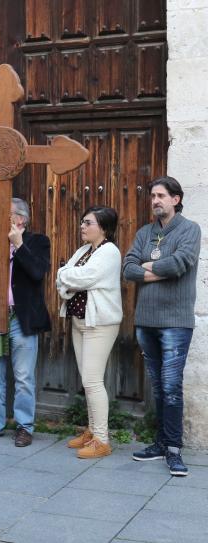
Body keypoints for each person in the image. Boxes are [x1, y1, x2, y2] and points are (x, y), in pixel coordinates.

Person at [123, 176, 200, 477]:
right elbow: (128, 269)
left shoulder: (190, 229)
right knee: (158, 386)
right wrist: (156, 270)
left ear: (176, 199)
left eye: (161, 196)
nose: (155, 200)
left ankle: (174, 449)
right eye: (153, 196)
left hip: (175, 323)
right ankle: (160, 443)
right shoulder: (145, 233)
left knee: (171, 386)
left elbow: (181, 263)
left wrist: (148, 267)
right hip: (146, 320)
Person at [0, 198, 51, 447]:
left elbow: (37, 272)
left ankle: (25, 427)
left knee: (24, 377)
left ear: (20, 219)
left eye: (5, 213)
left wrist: (19, 244)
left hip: (21, 319)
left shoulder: (38, 241)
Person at [56, 206, 122, 459]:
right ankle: (92, 431)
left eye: (88, 223)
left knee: (93, 381)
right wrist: (66, 276)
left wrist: (66, 274)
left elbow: (84, 278)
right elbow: (63, 281)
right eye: (82, 222)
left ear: (103, 228)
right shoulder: (84, 251)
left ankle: (102, 440)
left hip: (100, 324)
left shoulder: (109, 252)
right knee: (87, 380)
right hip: (79, 321)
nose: (82, 227)